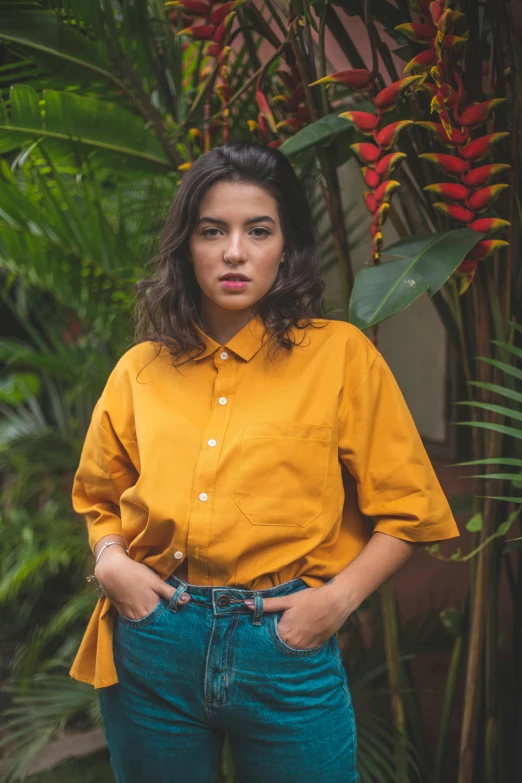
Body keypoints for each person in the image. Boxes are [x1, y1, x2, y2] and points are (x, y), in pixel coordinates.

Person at [69, 140, 460, 783]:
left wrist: (336, 602)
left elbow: (410, 513)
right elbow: (98, 495)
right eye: (212, 231)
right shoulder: (139, 369)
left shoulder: (340, 357)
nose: (234, 252)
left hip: (284, 643)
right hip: (154, 641)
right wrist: (111, 561)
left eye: (259, 231)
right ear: (185, 247)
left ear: (287, 247)